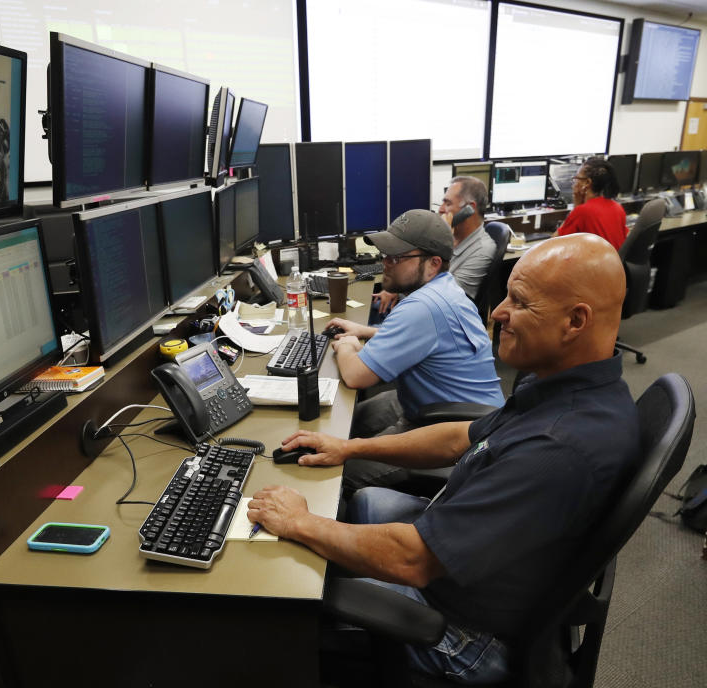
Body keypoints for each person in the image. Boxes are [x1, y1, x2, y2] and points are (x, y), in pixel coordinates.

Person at [248, 234, 639, 684]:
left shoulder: (560, 447)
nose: (497, 313)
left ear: (575, 321)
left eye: (519, 302)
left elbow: (413, 562)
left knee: (283, 592)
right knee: (366, 501)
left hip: (467, 635)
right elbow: (461, 436)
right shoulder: (566, 387)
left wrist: (299, 522)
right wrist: (349, 447)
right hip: (484, 567)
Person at [326, 210, 503, 445]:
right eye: (385, 255)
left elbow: (356, 376)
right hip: (461, 411)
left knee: (345, 467)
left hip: (461, 434)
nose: (385, 264)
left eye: (396, 257)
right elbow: (431, 340)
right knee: (349, 423)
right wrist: (365, 331)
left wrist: (346, 346)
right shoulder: (446, 289)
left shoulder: (421, 307)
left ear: (433, 264)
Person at [372, 176, 496, 314]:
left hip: (429, 315)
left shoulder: (482, 250)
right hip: (408, 305)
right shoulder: (452, 239)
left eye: (448, 204)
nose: (441, 210)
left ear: (469, 209)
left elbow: (443, 299)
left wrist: (400, 287)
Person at [556, 157, 629, 250]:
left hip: (596, 264)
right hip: (615, 264)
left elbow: (554, 244)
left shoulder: (582, 211)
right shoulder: (617, 207)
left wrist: (576, 207)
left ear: (587, 183)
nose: (573, 184)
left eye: (576, 179)